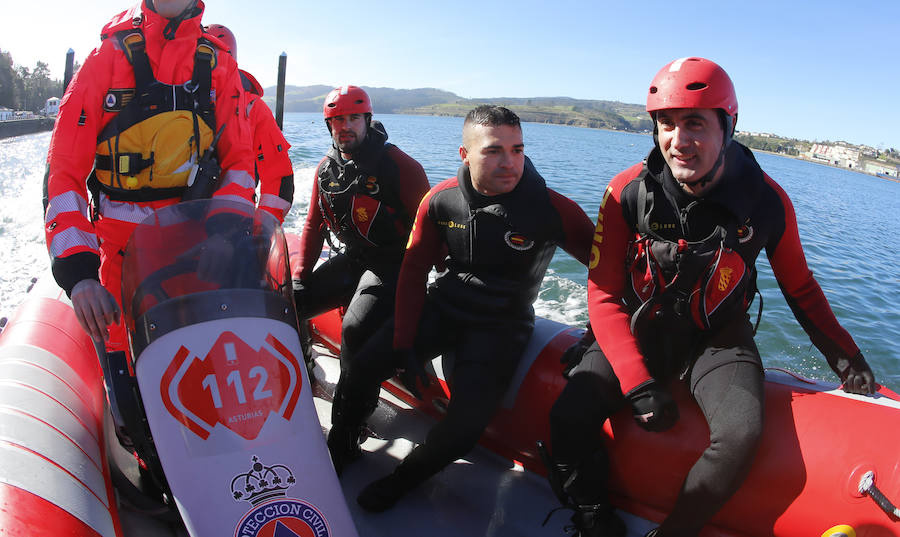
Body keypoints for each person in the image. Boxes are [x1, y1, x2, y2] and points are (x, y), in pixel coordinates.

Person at [547, 56, 877, 537]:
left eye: (695, 123)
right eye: (666, 123)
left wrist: (849, 362)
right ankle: (594, 512)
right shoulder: (626, 192)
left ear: (729, 126)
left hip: (717, 339)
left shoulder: (767, 202)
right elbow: (601, 292)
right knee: (567, 414)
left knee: (742, 435)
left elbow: (801, 288)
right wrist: (638, 384)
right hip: (639, 330)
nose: (678, 141)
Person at [334, 105, 595, 512]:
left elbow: (606, 271)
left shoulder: (551, 208)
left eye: (517, 148)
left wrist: (596, 332)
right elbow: (415, 268)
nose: (509, 162)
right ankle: (342, 442)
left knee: (465, 428)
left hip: (502, 324)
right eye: (493, 151)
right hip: (446, 303)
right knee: (364, 364)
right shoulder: (441, 200)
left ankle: (405, 478)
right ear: (465, 154)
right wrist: (404, 344)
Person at [43, 0, 254, 349]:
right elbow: (63, 173)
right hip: (119, 257)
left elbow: (240, 166)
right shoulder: (107, 59)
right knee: (129, 382)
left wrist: (223, 235)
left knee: (203, 367)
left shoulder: (220, 67)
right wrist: (79, 276)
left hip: (194, 250)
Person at [293, 85, 430, 470]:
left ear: (367, 120)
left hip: (391, 265)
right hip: (354, 258)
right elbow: (313, 226)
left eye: (352, 118)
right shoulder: (326, 168)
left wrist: (419, 287)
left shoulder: (401, 166)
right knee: (292, 303)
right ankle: (304, 371)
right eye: (336, 120)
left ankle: (348, 430)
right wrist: (301, 276)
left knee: (355, 330)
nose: (344, 127)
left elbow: (429, 233)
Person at [205, 23, 294, 222]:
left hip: (231, 222)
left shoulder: (253, 108)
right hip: (180, 218)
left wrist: (264, 226)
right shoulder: (176, 97)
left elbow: (278, 175)